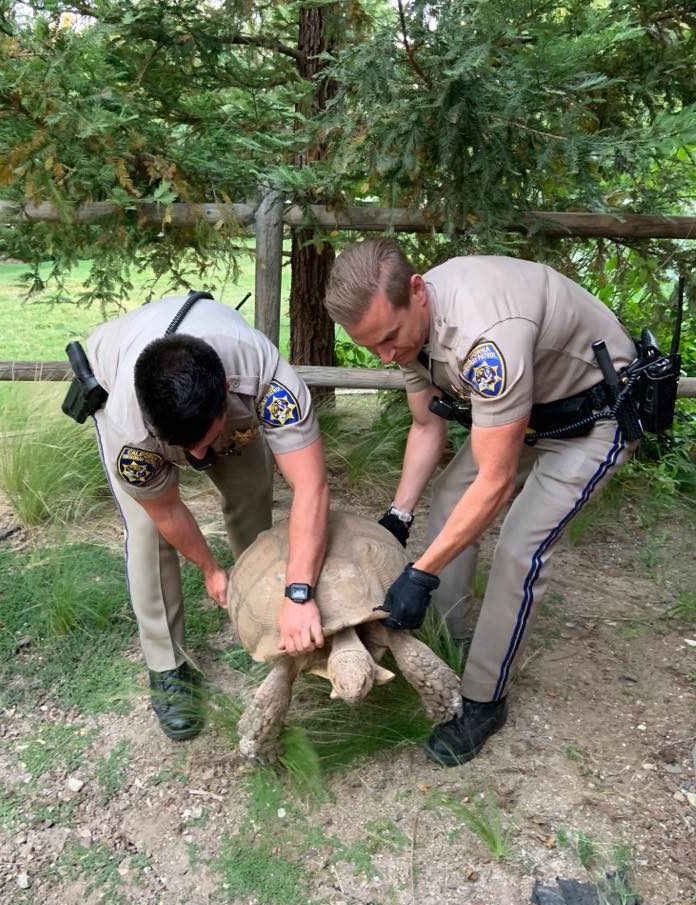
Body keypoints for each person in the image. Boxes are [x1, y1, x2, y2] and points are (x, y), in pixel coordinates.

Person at [325, 238, 638, 766]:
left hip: (594, 416)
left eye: (388, 339)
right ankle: (445, 640)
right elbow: (427, 427)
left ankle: (484, 698)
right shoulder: (407, 331)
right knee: (449, 493)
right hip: (530, 408)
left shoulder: (484, 339)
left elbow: (493, 483)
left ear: (417, 291)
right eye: (369, 346)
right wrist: (399, 518)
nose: (384, 356)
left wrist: (419, 572)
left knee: (521, 546)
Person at [83, 294, 329, 740]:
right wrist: (211, 569)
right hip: (122, 375)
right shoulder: (130, 425)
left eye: (204, 443)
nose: (198, 458)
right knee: (146, 532)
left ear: (226, 399)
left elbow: (310, 487)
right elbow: (167, 510)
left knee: (252, 492)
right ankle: (167, 667)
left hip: (223, 387)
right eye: (187, 448)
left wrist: (298, 591)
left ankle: (267, 610)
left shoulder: (266, 379)